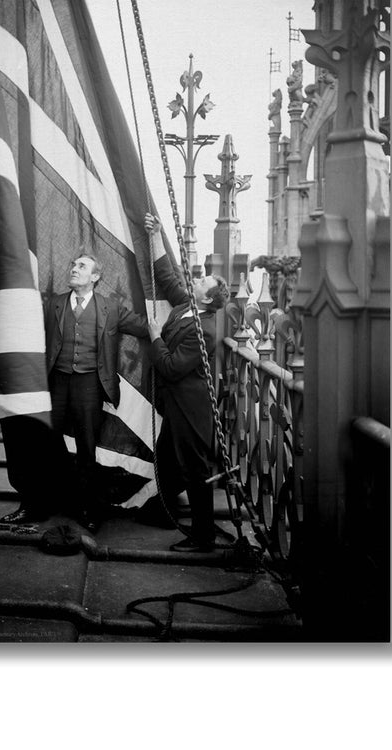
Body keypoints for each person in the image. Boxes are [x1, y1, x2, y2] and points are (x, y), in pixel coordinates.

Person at [2, 252, 147, 532]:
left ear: (95, 277)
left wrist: (176, 315)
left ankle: (87, 509)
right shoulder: (54, 304)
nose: (74, 269)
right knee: (43, 444)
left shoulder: (111, 308)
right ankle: (36, 506)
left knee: (86, 449)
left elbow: (145, 327)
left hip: (90, 385)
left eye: (82, 266)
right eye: (73, 264)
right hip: (55, 382)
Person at [144, 213, 230, 551]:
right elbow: (167, 276)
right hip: (177, 406)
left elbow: (171, 367)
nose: (193, 282)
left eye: (200, 283)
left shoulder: (204, 329)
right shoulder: (186, 306)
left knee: (194, 471)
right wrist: (155, 236)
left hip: (191, 411)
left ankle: (204, 536)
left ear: (207, 299)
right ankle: (163, 511)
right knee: (165, 457)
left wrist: (154, 337)